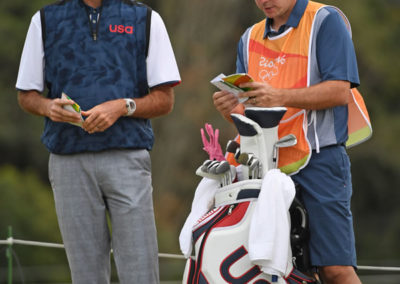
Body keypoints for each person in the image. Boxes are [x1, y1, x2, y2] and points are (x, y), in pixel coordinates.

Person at [16, 0, 180, 283]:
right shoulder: (44, 20)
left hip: (128, 157)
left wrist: (123, 106)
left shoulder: (145, 18)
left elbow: (165, 100)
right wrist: (48, 108)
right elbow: (26, 95)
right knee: (85, 276)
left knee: (141, 273)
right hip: (68, 161)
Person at [213, 0, 371, 283]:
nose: (264, 1)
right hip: (265, 166)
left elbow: (338, 91)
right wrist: (231, 111)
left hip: (319, 160)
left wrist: (280, 96)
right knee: (274, 269)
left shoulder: (325, 20)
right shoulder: (248, 38)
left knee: (335, 269)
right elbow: (250, 114)